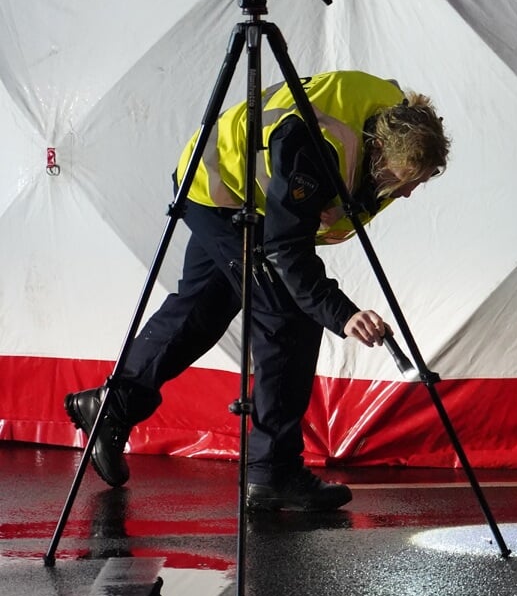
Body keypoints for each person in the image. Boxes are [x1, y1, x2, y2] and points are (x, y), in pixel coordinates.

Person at [65, 70, 450, 510]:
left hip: (241, 184)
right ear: (380, 147)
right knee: (287, 315)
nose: (408, 193)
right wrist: (342, 313)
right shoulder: (317, 145)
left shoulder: (391, 113)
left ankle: (112, 406)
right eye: (406, 179)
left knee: (203, 309)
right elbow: (288, 251)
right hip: (219, 188)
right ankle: (272, 473)